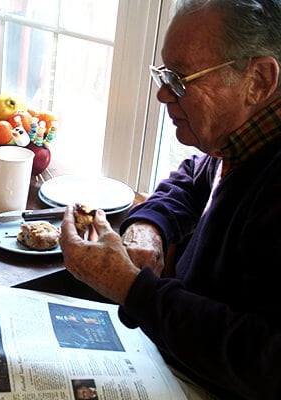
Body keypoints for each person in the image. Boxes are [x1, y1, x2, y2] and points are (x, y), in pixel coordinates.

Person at [59, 0, 281, 399]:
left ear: (259, 80)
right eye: (164, 75)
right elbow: (194, 177)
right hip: (173, 358)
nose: (163, 94)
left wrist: (131, 288)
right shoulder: (242, 141)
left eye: (180, 78)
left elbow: (268, 361)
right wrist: (150, 226)